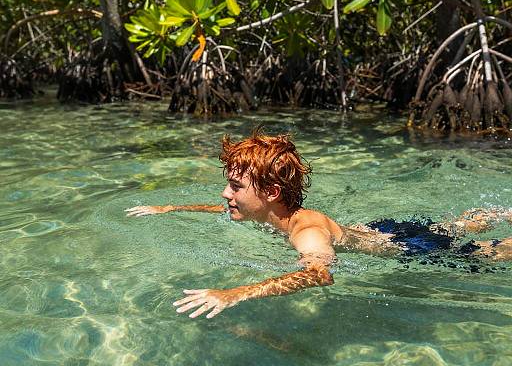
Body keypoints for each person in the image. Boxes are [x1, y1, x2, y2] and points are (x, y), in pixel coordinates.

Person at [126, 131, 512, 319]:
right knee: (454, 225)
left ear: (272, 191)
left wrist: (236, 293)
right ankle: (495, 214)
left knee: (487, 253)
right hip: (380, 228)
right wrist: (171, 207)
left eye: (236, 186)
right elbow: (221, 208)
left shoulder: (306, 230)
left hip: (409, 251)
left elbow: (319, 273)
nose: (226, 194)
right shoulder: (266, 210)